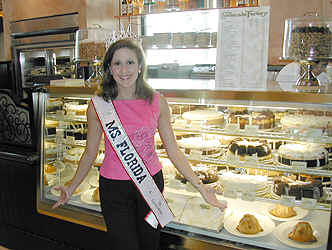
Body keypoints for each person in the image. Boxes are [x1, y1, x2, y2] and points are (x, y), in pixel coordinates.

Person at [52, 38, 227, 250]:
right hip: (113, 189)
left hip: (150, 185)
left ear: (140, 66)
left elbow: (173, 150)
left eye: (130, 62)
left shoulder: (157, 101)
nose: (124, 70)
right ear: (109, 67)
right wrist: (71, 187)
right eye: (117, 63)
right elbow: (89, 153)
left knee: (149, 244)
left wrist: (200, 186)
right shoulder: (98, 105)